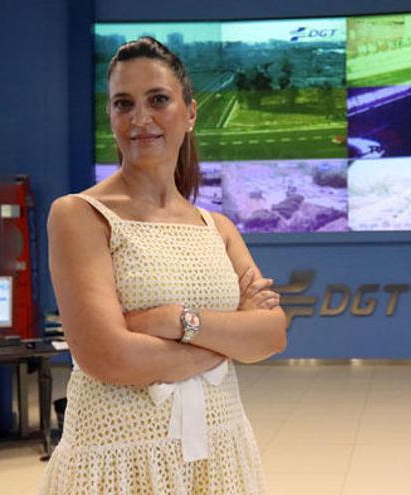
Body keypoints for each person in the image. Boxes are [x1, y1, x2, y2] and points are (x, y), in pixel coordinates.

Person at [40, 37, 286, 494]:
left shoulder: (218, 227)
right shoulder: (80, 215)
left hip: (218, 453)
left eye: (158, 100)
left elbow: (271, 335)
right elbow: (108, 357)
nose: (140, 119)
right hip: (119, 462)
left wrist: (176, 321)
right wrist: (228, 340)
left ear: (190, 113)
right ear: (110, 116)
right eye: (123, 104)